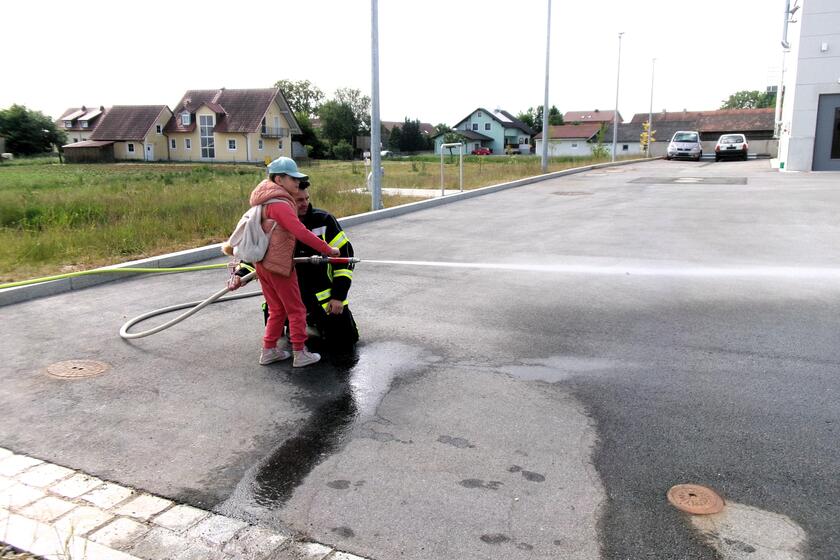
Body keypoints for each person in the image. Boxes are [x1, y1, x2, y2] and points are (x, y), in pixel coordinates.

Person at [231, 157, 339, 368]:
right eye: (293, 178)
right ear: (279, 179)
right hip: (278, 265)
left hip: (263, 264)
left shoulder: (265, 200)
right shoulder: (280, 204)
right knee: (297, 310)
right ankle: (300, 353)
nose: (297, 182)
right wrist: (328, 250)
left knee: (277, 309)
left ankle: (269, 350)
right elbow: (299, 231)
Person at [292, 182, 359, 352]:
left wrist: (338, 296)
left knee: (347, 339)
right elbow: (255, 255)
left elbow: (345, 259)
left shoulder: (323, 220)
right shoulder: (274, 223)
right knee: (286, 339)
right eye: (299, 200)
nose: (305, 203)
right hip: (290, 295)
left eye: (306, 198)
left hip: (324, 296)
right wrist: (241, 273)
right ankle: (292, 321)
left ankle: (314, 320)